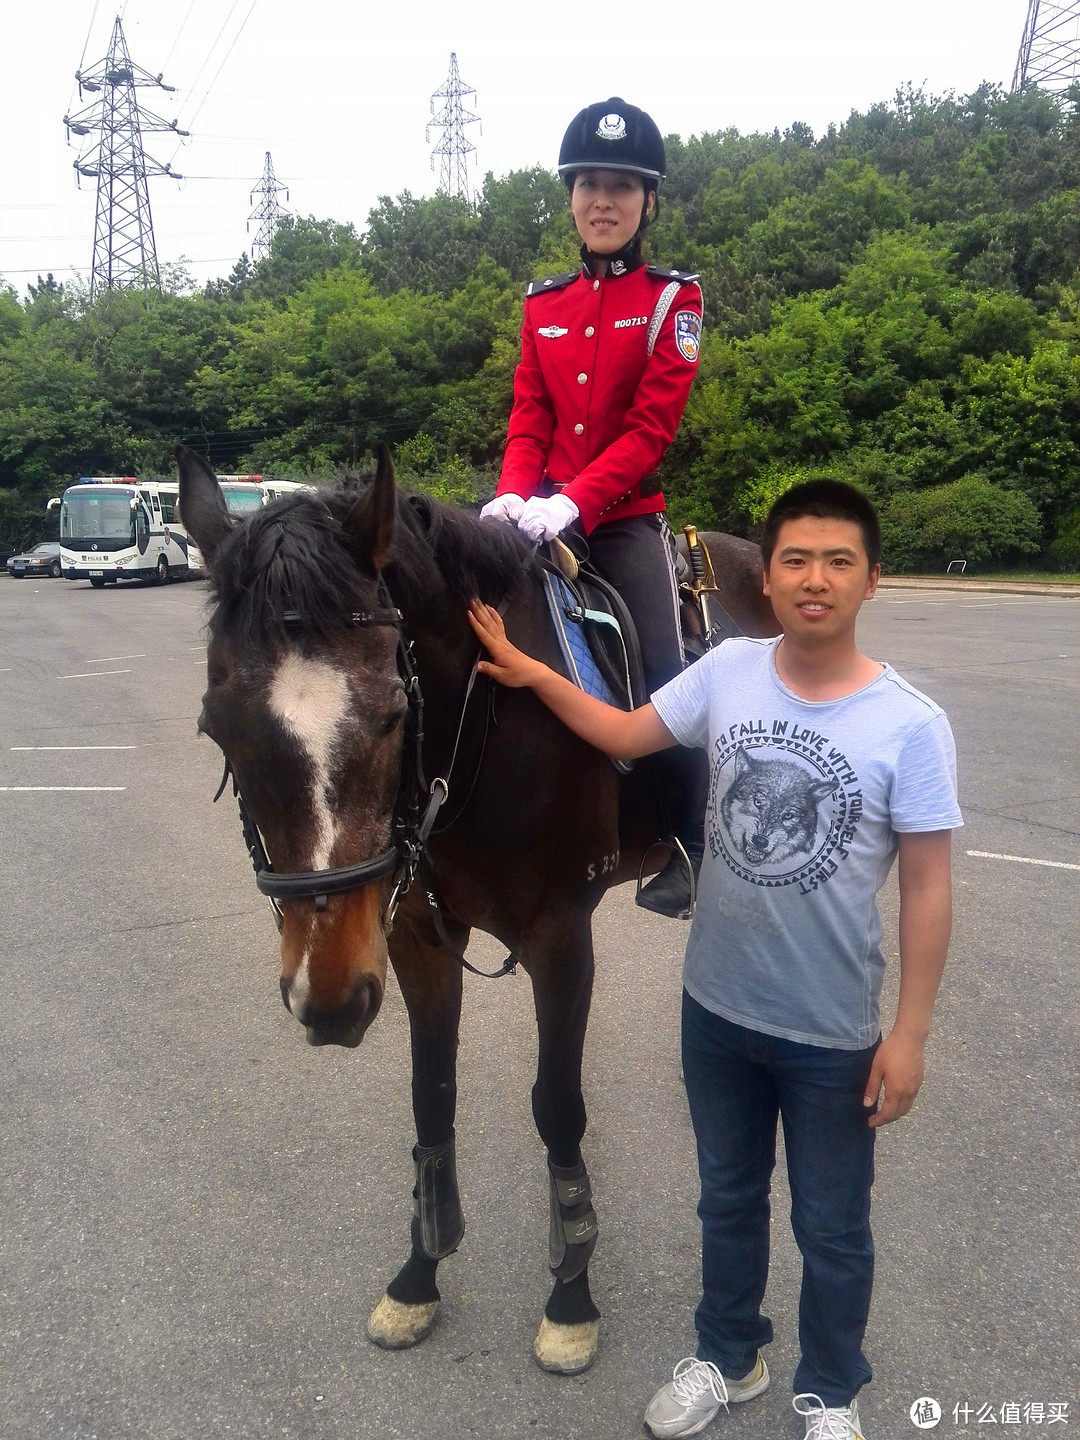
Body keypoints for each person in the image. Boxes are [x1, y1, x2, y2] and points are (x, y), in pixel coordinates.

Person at [468, 480, 962, 1440]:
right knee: (727, 1201)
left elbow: (928, 887)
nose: (814, 580)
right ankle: (728, 1356)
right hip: (719, 1011)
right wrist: (533, 672)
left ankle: (828, 1392)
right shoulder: (729, 671)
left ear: (870, 582)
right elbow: (623, 733)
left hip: (833, 1031)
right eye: (795, 560)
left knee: (831, 1227)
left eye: (838, 562)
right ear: (764, 580)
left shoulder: (910, 723)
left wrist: (912, 1031)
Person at [479, 96, 704, 917]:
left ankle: (686, 838)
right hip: (536, 514)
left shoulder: (674, 301)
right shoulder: (544, 304)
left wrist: (571, 502)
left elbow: (649, 434)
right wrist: (513, 491)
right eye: (588, 185)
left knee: (662, 670)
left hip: (622, 521)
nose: (602, 201)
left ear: (647, 202)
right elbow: (529, 417)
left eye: (621, 186)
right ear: (570, 196)